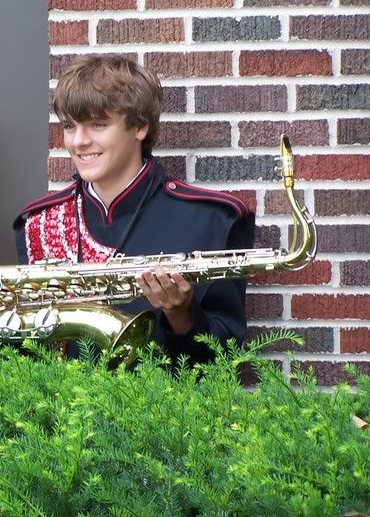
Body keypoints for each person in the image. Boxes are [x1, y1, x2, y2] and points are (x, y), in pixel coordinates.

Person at [14, 55, 255, 365]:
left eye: (98, 124)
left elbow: (225, 356)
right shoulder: (38, 223)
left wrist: (181, 315)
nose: (79, 141)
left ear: (141, 126)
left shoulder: (212, 219)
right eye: (70, 126)